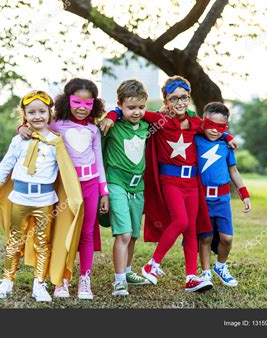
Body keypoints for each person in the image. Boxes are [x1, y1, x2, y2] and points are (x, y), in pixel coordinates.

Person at [101, 75, 238, 292]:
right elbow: (127, 110)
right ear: (166, 101)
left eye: (184, 97)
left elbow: (214, 129)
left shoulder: (195, 122)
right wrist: (110, 114)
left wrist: (228, 137)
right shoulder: (159, 120)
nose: (180, 102)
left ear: (189, 97)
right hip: (170, 181)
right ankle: (152, 264)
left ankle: (191, 277)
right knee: (181, 220)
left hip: (192, 182)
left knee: (191, 229)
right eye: (174, 99)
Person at [0, 90, 83, 302]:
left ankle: (39, 284)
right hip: (20, 199)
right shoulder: (18, 140)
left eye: (42, 111)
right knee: (14, 242)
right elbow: (5, 165)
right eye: (31, 112)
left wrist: (74, 197)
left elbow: (66, 171)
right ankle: (7, 281)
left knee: (43, 243)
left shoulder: (56, 141)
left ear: (50, 114)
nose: (37, 116)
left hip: (45, 201)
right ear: (24, 114)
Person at [19, 78, 108, 300]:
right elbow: (35, 125)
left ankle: (85, 279)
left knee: (87, 233)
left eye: (88, 104)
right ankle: (62, 279)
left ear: (94, 105)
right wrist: (21, 127)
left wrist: (103, 191)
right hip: (66, 186)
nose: (81, 108)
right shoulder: (56, 125)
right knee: (64, 233)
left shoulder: (94, 130)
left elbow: (99, 159)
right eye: (77, 102)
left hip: (90, 185)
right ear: (67, 101)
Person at [101, 79, 151, 296]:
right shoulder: (111, 126)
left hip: (137, 187)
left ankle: (128, 272)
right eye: (131, 107)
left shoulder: (148, 126)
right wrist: (111, 116)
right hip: (116, 184)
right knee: (123, 233)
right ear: (119, 104)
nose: (137, 112)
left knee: (133, 235)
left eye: (141, 107)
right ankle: (119, 280)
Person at [196, 102, 251, 287]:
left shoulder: (226, 146)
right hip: (202, 199)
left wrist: (244, 195)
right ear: (203, 121)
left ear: (226, 127)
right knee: (205, 237)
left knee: (227, 238)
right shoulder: (195, 140)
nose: (214, 130)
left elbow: (233, 171)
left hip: (223, 199)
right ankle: (205, 273)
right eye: (210, 124)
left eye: (220, 127)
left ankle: (220, 266)